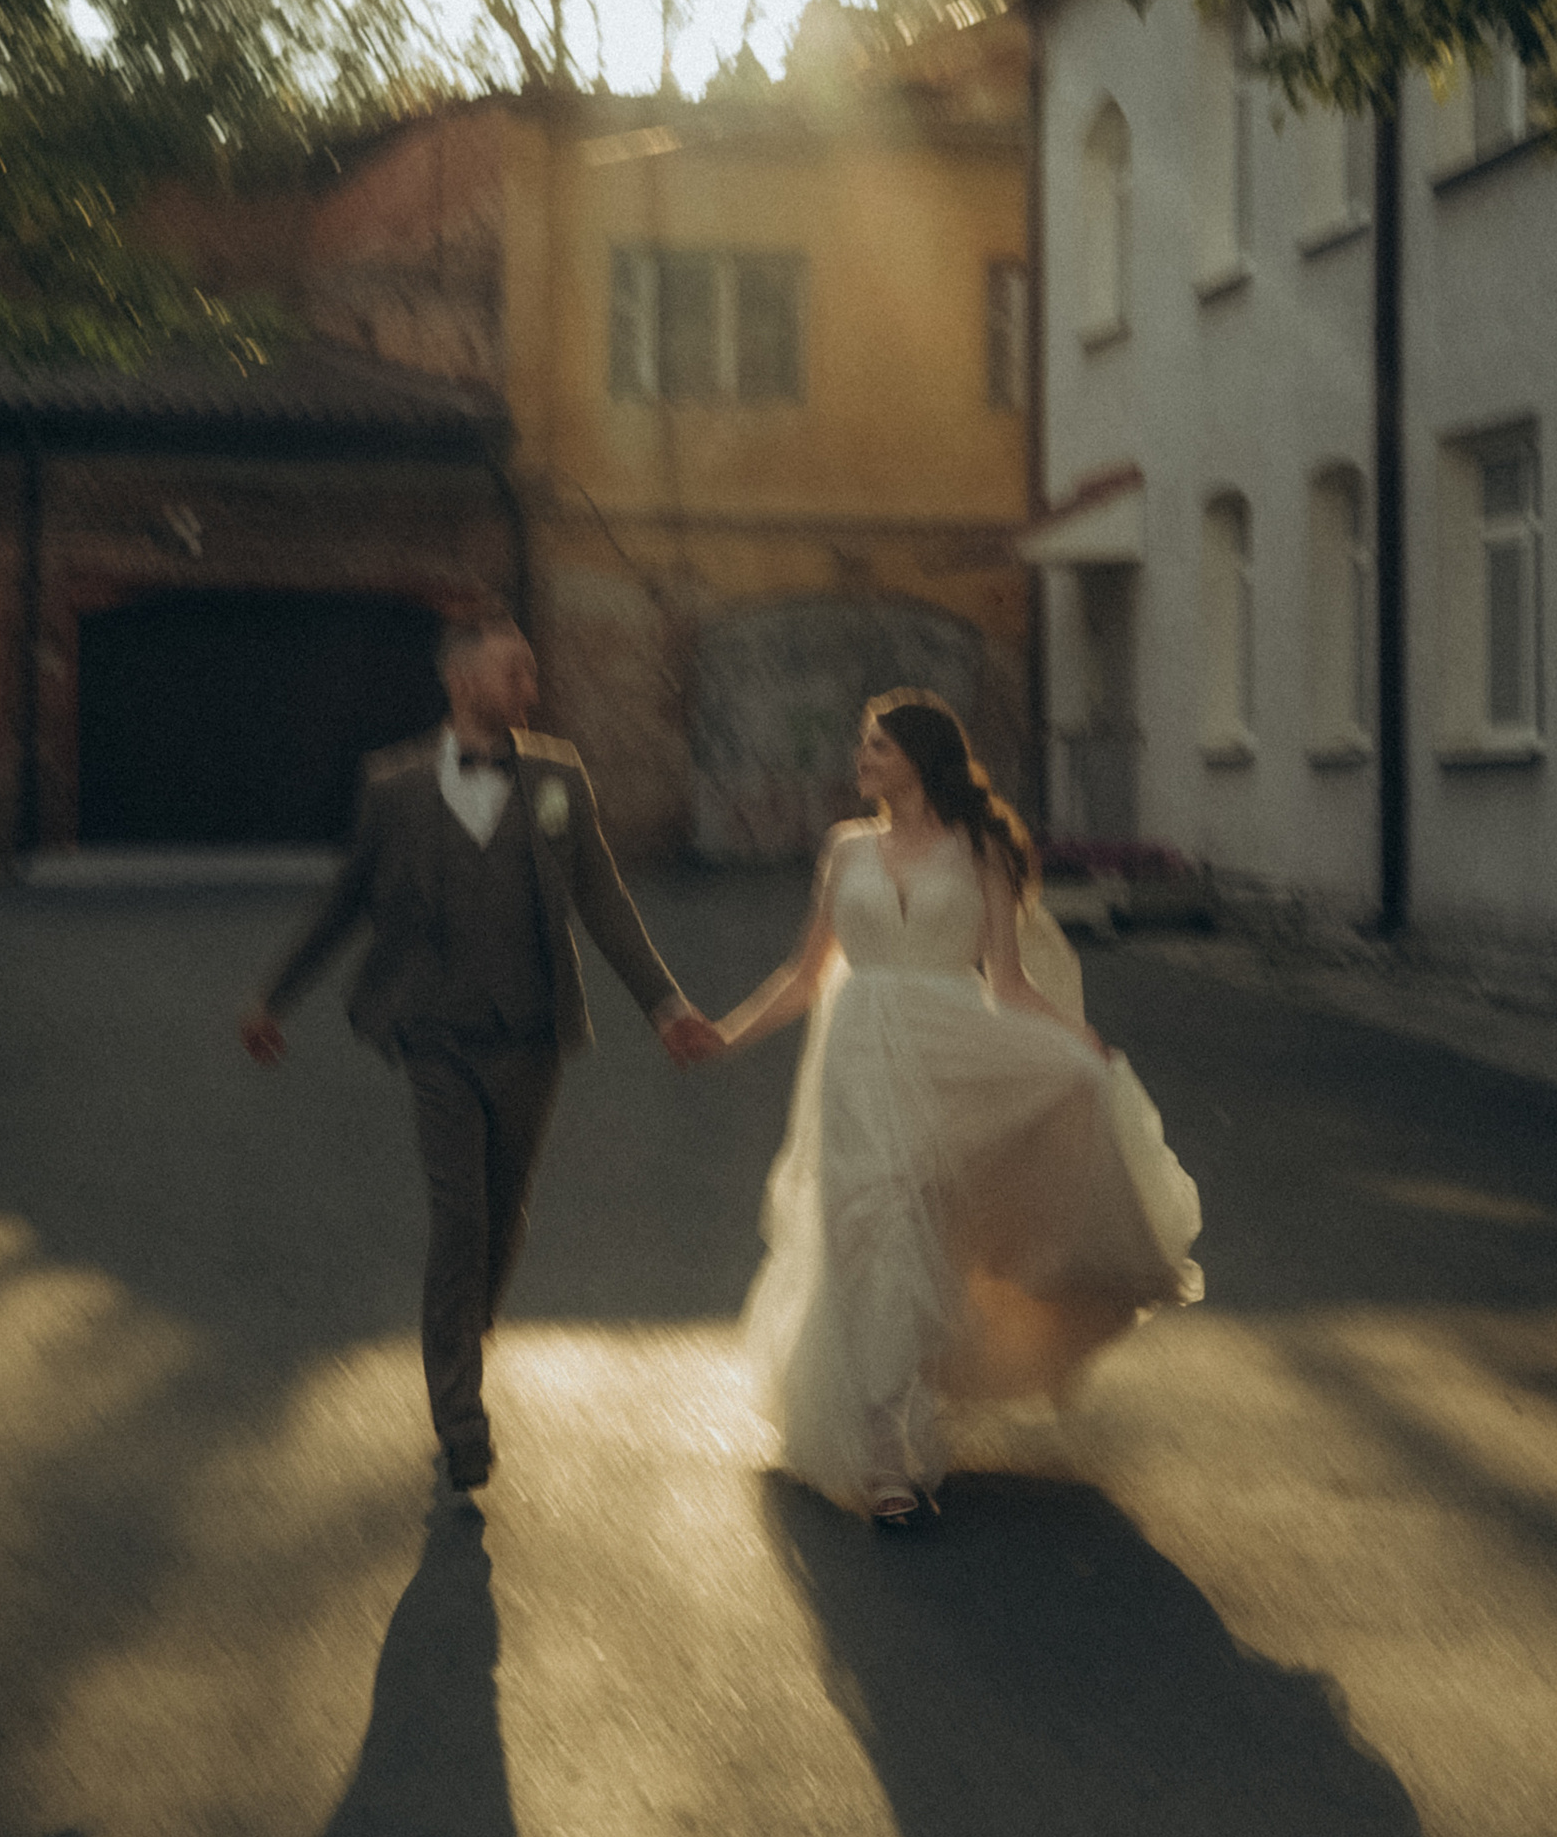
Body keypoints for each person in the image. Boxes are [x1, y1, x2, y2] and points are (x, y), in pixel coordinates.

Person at [241, 610, 722, 1493]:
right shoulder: (391, 787)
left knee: (503, 1217)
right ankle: (460, 1417)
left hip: (530, 1032)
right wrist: (276, 998)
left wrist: (666, 1005)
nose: (530, 689)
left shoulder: (556, 777)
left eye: (531, 674)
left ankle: (464, 1324)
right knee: (458, 1218)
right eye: (515, 673)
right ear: (463, 682)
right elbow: (344, 902)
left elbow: (603, 900)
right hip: (433, 1035)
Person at [713, 689, 1202, 1525]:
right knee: (871, 1228)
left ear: (918, 757)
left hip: (953, 1059)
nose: (860, 760)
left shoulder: (981, 848)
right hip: (858, 1060)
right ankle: (883, 1459)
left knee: (929, 1230)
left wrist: (1080, 1047)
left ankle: (905, 1412)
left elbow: (1007, 984)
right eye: (861, 747)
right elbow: (805, 974)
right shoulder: (845, 848)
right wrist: (723, 1036)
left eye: (876, 747)